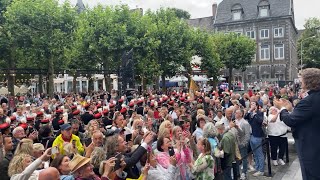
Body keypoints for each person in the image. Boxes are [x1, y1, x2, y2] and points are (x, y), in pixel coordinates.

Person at [274, 68, 320, 180]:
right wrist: (291, 110)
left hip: (310, 148)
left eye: (301, 79)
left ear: (309, 81)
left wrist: (282, 108)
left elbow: (290, 121)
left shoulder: (309, 101)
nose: (300, 82)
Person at [245, 101, 265, 177]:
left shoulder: (260, 113)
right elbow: (245, 117)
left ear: (257, 105)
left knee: (259, 153)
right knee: (255, 153)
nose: (252, 105)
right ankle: (257, 167)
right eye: (251, 104)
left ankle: (261, 170)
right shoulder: (250, 113)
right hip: (251, 135)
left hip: (257, 135)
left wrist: (255, 113)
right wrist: (250, 110)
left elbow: (260, 121)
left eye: (253, 104)